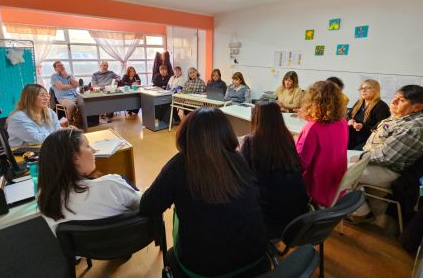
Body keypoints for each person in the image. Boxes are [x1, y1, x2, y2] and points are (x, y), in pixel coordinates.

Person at [140, 108, 268, 277]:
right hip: (256, 260)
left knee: (171, 255)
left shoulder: (180, 165)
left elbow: (148, 206)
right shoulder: (238, 159)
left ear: (186, 135)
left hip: (203, 269)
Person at [38, 129, 142, 233]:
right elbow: (143, 204)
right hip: (130, 239)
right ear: (75, 158)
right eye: (87, 146)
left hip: (86, 248)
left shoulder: (44, 198)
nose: (94, 150)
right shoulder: (110, 185)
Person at [353, 85, 423, 218]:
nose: (393, 102)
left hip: (388, 168)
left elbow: (386, 157)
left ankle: (362, 214)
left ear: (417, 107)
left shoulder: (412, 128)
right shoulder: (405, 116)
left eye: (401, 100)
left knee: (339, 174)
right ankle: (374, 213)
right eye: (395, 98)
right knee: (349, 175)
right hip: (377, 161)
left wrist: (359, 156)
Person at [240, 100, 309, 239]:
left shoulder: (251, 141)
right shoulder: (287, 137)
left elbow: (242, 173)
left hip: (270, 215)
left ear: (256, 117)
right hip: (298, 213)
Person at [295, 81, 348, 207]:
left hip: (316, 187)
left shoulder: (313, 128)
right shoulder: (342, 122)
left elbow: (300, 164)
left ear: (312, 101)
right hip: (335, 183)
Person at [347, 79, 390, 150]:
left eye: (367, 88)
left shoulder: (381, 106)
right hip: (353, 137)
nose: (363, 90)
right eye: (362, 88)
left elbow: (383, 128)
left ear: (375, 90)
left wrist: (363, 126)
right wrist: (350, 120)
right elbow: (349, 115)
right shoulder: (360, 102)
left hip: (369, 140)